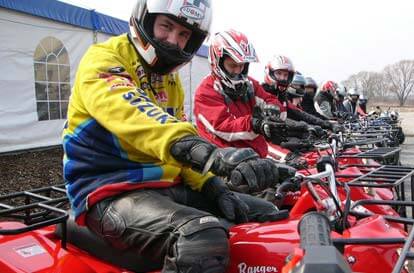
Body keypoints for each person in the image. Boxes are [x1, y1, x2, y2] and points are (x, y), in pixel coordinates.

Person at [62, 1, 281, 272]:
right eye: (166, 26)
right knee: (201, 240)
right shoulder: (104, 58)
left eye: (183, 35)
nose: (173, 41)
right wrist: (210, 154)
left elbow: (177, 151)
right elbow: (132, 113)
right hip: (107, 192)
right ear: (146, 19)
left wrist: (213, 185)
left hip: (163, 188)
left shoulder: (169, 81)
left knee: (265, 214)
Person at [194, 29, 286, 158]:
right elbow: (222, 127)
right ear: (217, 62)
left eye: (242, 65)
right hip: (225, 161)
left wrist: (274, 110)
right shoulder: (206, 91)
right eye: (232, 65)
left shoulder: (250, 84)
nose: (238, 70)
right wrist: (255, 124)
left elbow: (270, 99)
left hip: (257, 156)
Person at [261, 56, 333, 131]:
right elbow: (278, 120)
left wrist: (327, 124)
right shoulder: (263, 93)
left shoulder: (281, 95)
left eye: (285, 75)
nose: (282, 78)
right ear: (270, 73)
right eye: (279, 73)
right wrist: (306, 127)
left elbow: (301, 114)